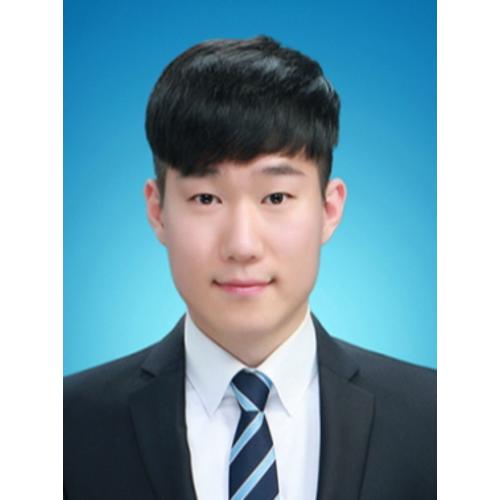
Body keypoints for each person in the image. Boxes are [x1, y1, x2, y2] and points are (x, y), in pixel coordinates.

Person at [64, 35, 436, 500]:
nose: (242, 245)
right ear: (158, 211)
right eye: (206, 198)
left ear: (329, 209)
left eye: (276, 197)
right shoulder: (64, 428)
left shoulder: (438, 421)